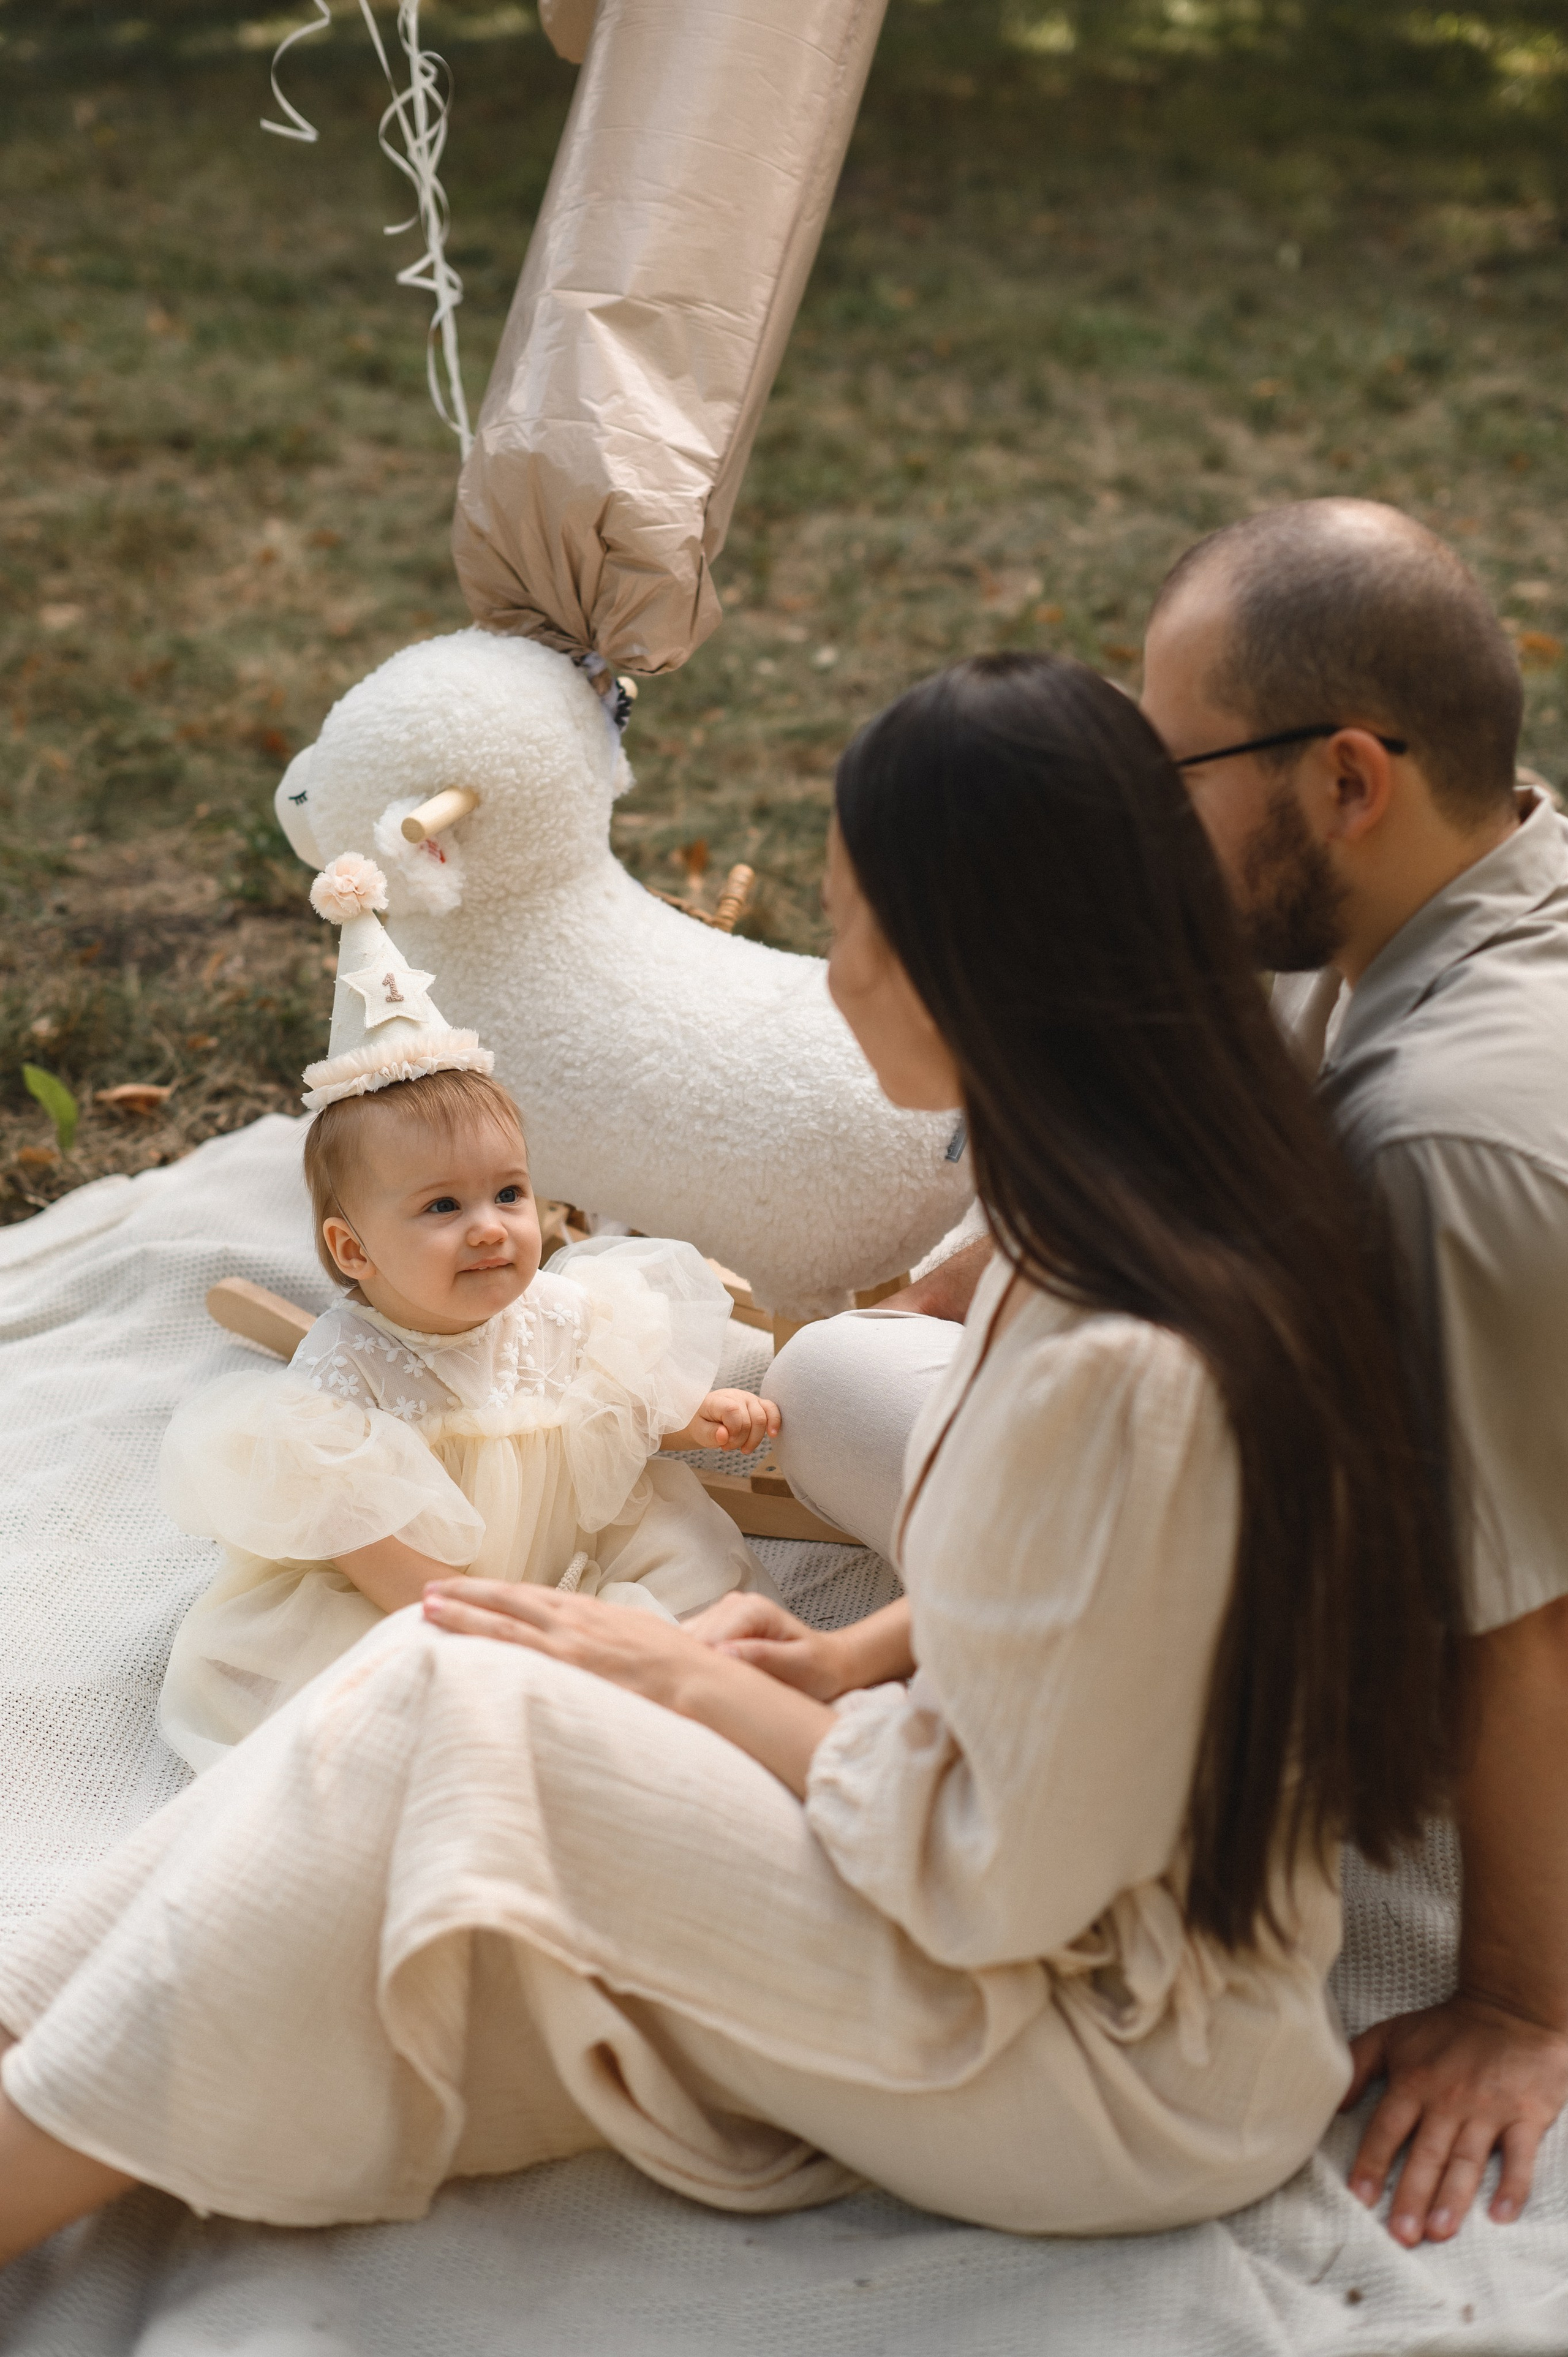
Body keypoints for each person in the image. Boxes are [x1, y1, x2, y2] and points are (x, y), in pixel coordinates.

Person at [0, 653, 1457, 2265]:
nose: (827, 979)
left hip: (1108, 2061)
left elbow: (994, 1881)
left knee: (469, 1703)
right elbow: (1097, 1609)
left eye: (849, 932)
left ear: (972, 967)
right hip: (1079, 1939)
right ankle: (36, 2038)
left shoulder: (1120, 1364)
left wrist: (706, 1693)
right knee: (463, 1669)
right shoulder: (1129, 1201)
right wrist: (845, 1663)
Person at [770, 499, 1568, 2249]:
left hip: (1414, 1628)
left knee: (870, 1401)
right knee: (866, 1374)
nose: (1139, 805)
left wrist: (1520, 2001)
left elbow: (1518, 1607)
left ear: (1348, 779)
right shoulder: (1440, 887)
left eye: (1171, 762)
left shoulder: (1444, 1143)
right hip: (1260, 1465)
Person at [159, 849, 778, 1773]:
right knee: (362, 1699)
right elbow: (378, 1555)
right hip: (426, 1594)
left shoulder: (563, 1310)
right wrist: (481, 1629)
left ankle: (639, 1693)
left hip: (573, 1550)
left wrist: (692, 1414)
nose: (492, 1230)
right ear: (353, 1251)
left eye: (511, 1194)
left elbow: (610, 1397)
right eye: (443, 1208)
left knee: (684, 1569)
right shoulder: (343, 1379)